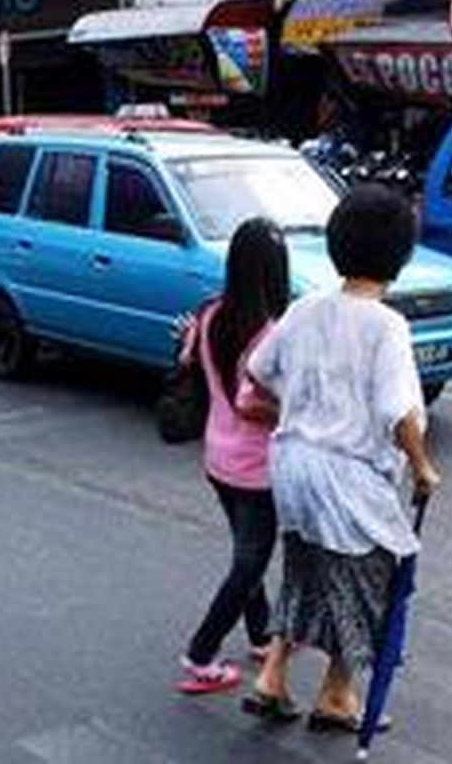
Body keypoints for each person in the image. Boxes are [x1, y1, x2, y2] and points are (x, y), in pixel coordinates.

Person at [243, 186, 441, 731]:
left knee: (306, 569)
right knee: (367, 580)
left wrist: (302, 405)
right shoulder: (386, 325)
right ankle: (337, 695)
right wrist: (422, 466)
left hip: (293, 463)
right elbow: (397, 409)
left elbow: (258, 370)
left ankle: (272, 676)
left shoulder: (307, 308)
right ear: (401, 254)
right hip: (346, 474)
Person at [175, 218, 290, 695]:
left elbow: (187, 364)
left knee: (248, 552)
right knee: (249, 562)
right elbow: (255, 403)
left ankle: (262, 635)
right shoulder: (269, 333)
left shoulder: (208, 314)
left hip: (217, 459)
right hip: (256, 469)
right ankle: (201, 654)